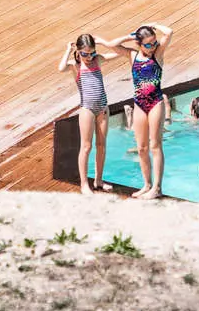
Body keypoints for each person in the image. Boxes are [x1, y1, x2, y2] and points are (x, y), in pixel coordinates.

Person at [106, 23, 174, 200]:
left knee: (155, 145)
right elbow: (112, 45)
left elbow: (169, 32)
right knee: (142, 148)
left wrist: (154, 25)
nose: (153, 47)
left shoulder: (158, 54)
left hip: (155, 103)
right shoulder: (132, 55)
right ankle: (147, 184)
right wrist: (129, 37)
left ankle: (157, 188)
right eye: (148, 44)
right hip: (139, 105)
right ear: (139, 44)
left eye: (154, 42)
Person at [57, 33, 120, 195]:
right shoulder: (76, 66)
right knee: (86, 147)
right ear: (78, 51)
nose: (89, 57)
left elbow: (118, 53)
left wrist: (104, 42)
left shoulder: (97, 60)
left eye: (92, 53)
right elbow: (61, 68)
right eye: (85, 54)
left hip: (103, 108)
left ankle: (98, 180)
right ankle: (84, 184)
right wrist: (67, 50)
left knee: (101, 145)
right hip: (88, 109)